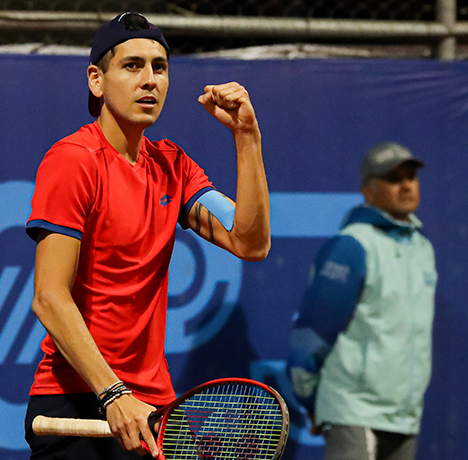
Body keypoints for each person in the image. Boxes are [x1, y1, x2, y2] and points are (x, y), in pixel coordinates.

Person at [22, 11, 270, 460]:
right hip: (79, 400)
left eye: (160, 67)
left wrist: (246, 136)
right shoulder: (74, 161)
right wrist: (112, 392)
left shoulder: (173, 166)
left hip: (152, 408)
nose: (150, 80)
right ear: (97, 80)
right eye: (132, 66)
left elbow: (250, 243)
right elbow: (49, 297)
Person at [287, 142, 437, 460]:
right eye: (394, 178)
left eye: (411, 177)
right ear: (368, 192)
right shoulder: (352, 246)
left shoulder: (423, 249)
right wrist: (313, 400)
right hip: (353, 410)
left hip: (405, 415)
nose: (407, 185)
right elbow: (311, 333)